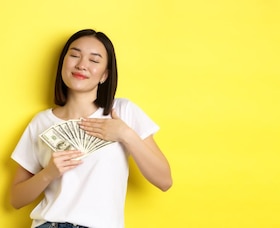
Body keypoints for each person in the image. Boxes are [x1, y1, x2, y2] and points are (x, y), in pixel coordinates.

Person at [9, 29, 172, 228]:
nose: (82, 65)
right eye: (74, 55)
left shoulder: (123, 111)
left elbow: (165, 181)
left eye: (94, 60)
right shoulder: (41, 122)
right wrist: (48, 173)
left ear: (104, 75)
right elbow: (16, 199)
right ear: (63, 64)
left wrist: (125, 134)